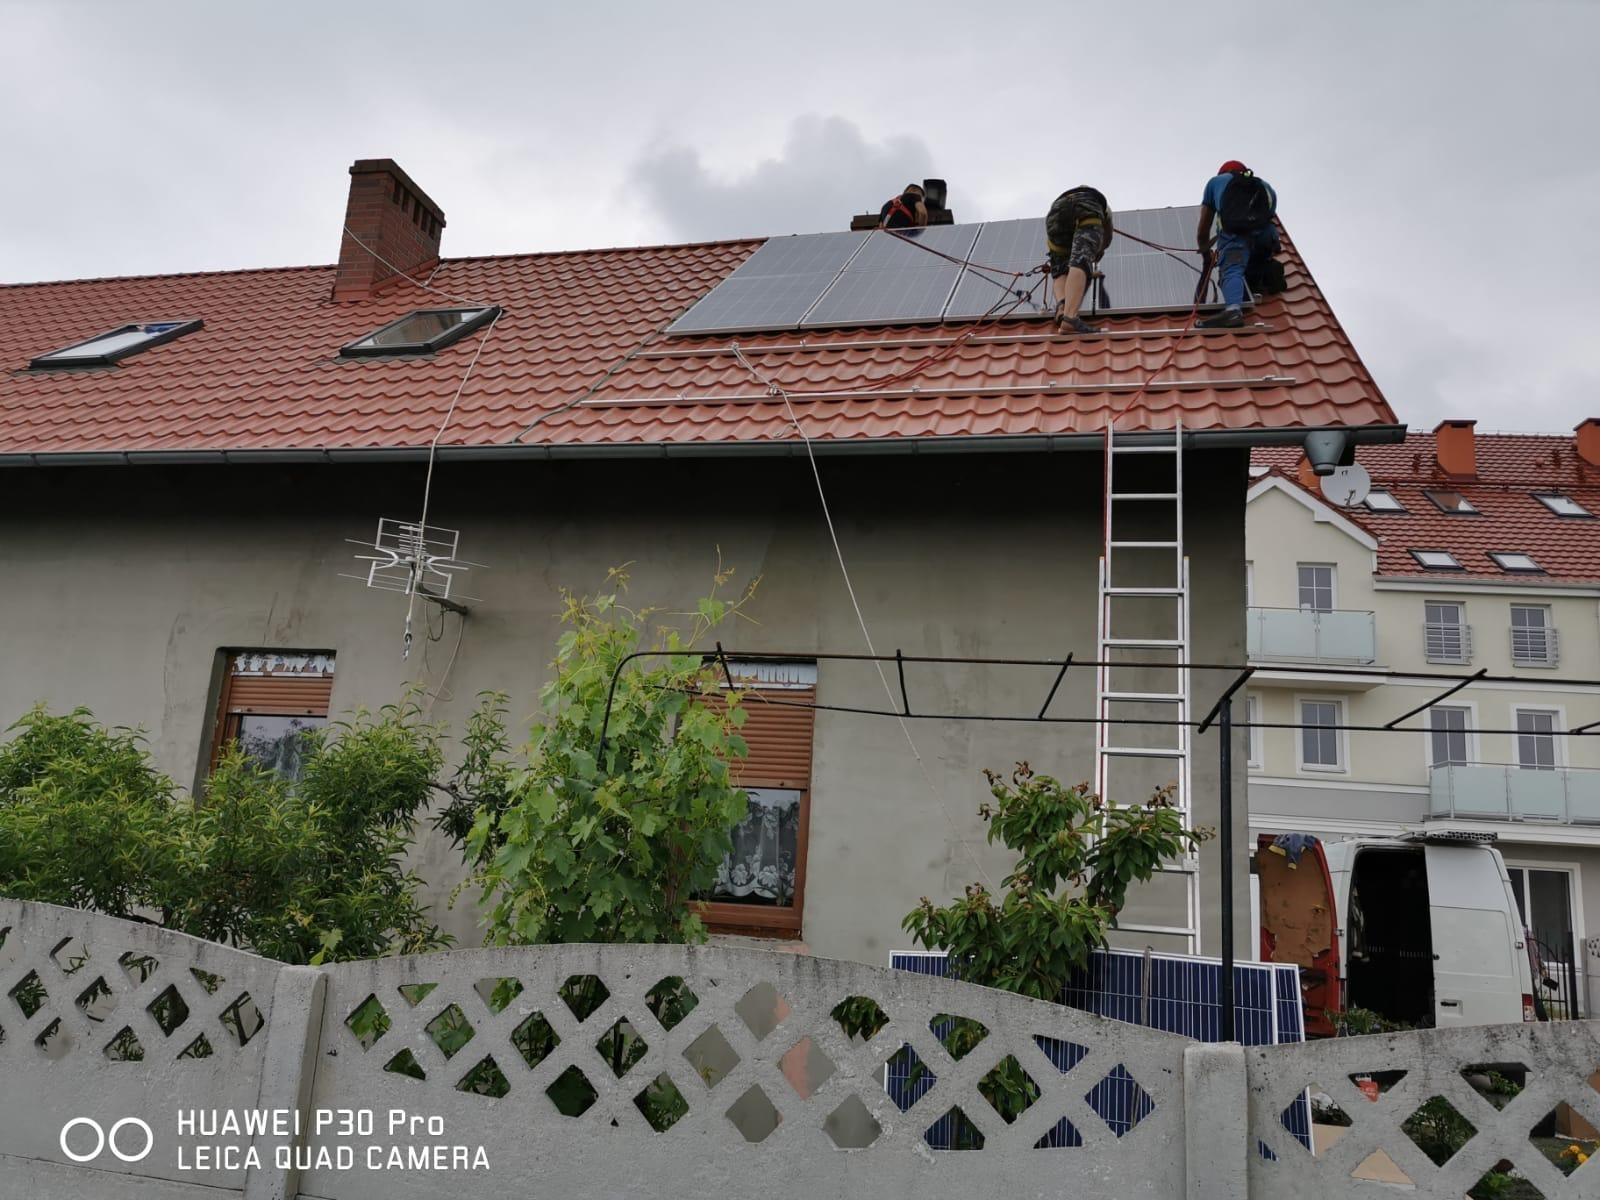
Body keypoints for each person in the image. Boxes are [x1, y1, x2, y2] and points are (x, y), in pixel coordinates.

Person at [1196, 161, 1280, 329]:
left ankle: (1233, 311)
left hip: (1236, 238)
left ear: (1222, 173)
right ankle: (1259, 278)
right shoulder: (1266, 187)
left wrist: (1206, 254)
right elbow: (1270, 217)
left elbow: (1204, 228)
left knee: (1231, 268)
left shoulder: (1215, 182)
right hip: (1266, 238)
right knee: (1252, 263)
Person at [1044, 185, 1113, 334]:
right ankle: (1070, 319)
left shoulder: (1067, 197)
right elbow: (1106, 239)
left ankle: (1062, 307)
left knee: (1059, 269)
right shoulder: (1104, 209)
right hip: (1086, 206)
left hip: (1056, 211)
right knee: (1081, 260)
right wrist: (1096, 253)